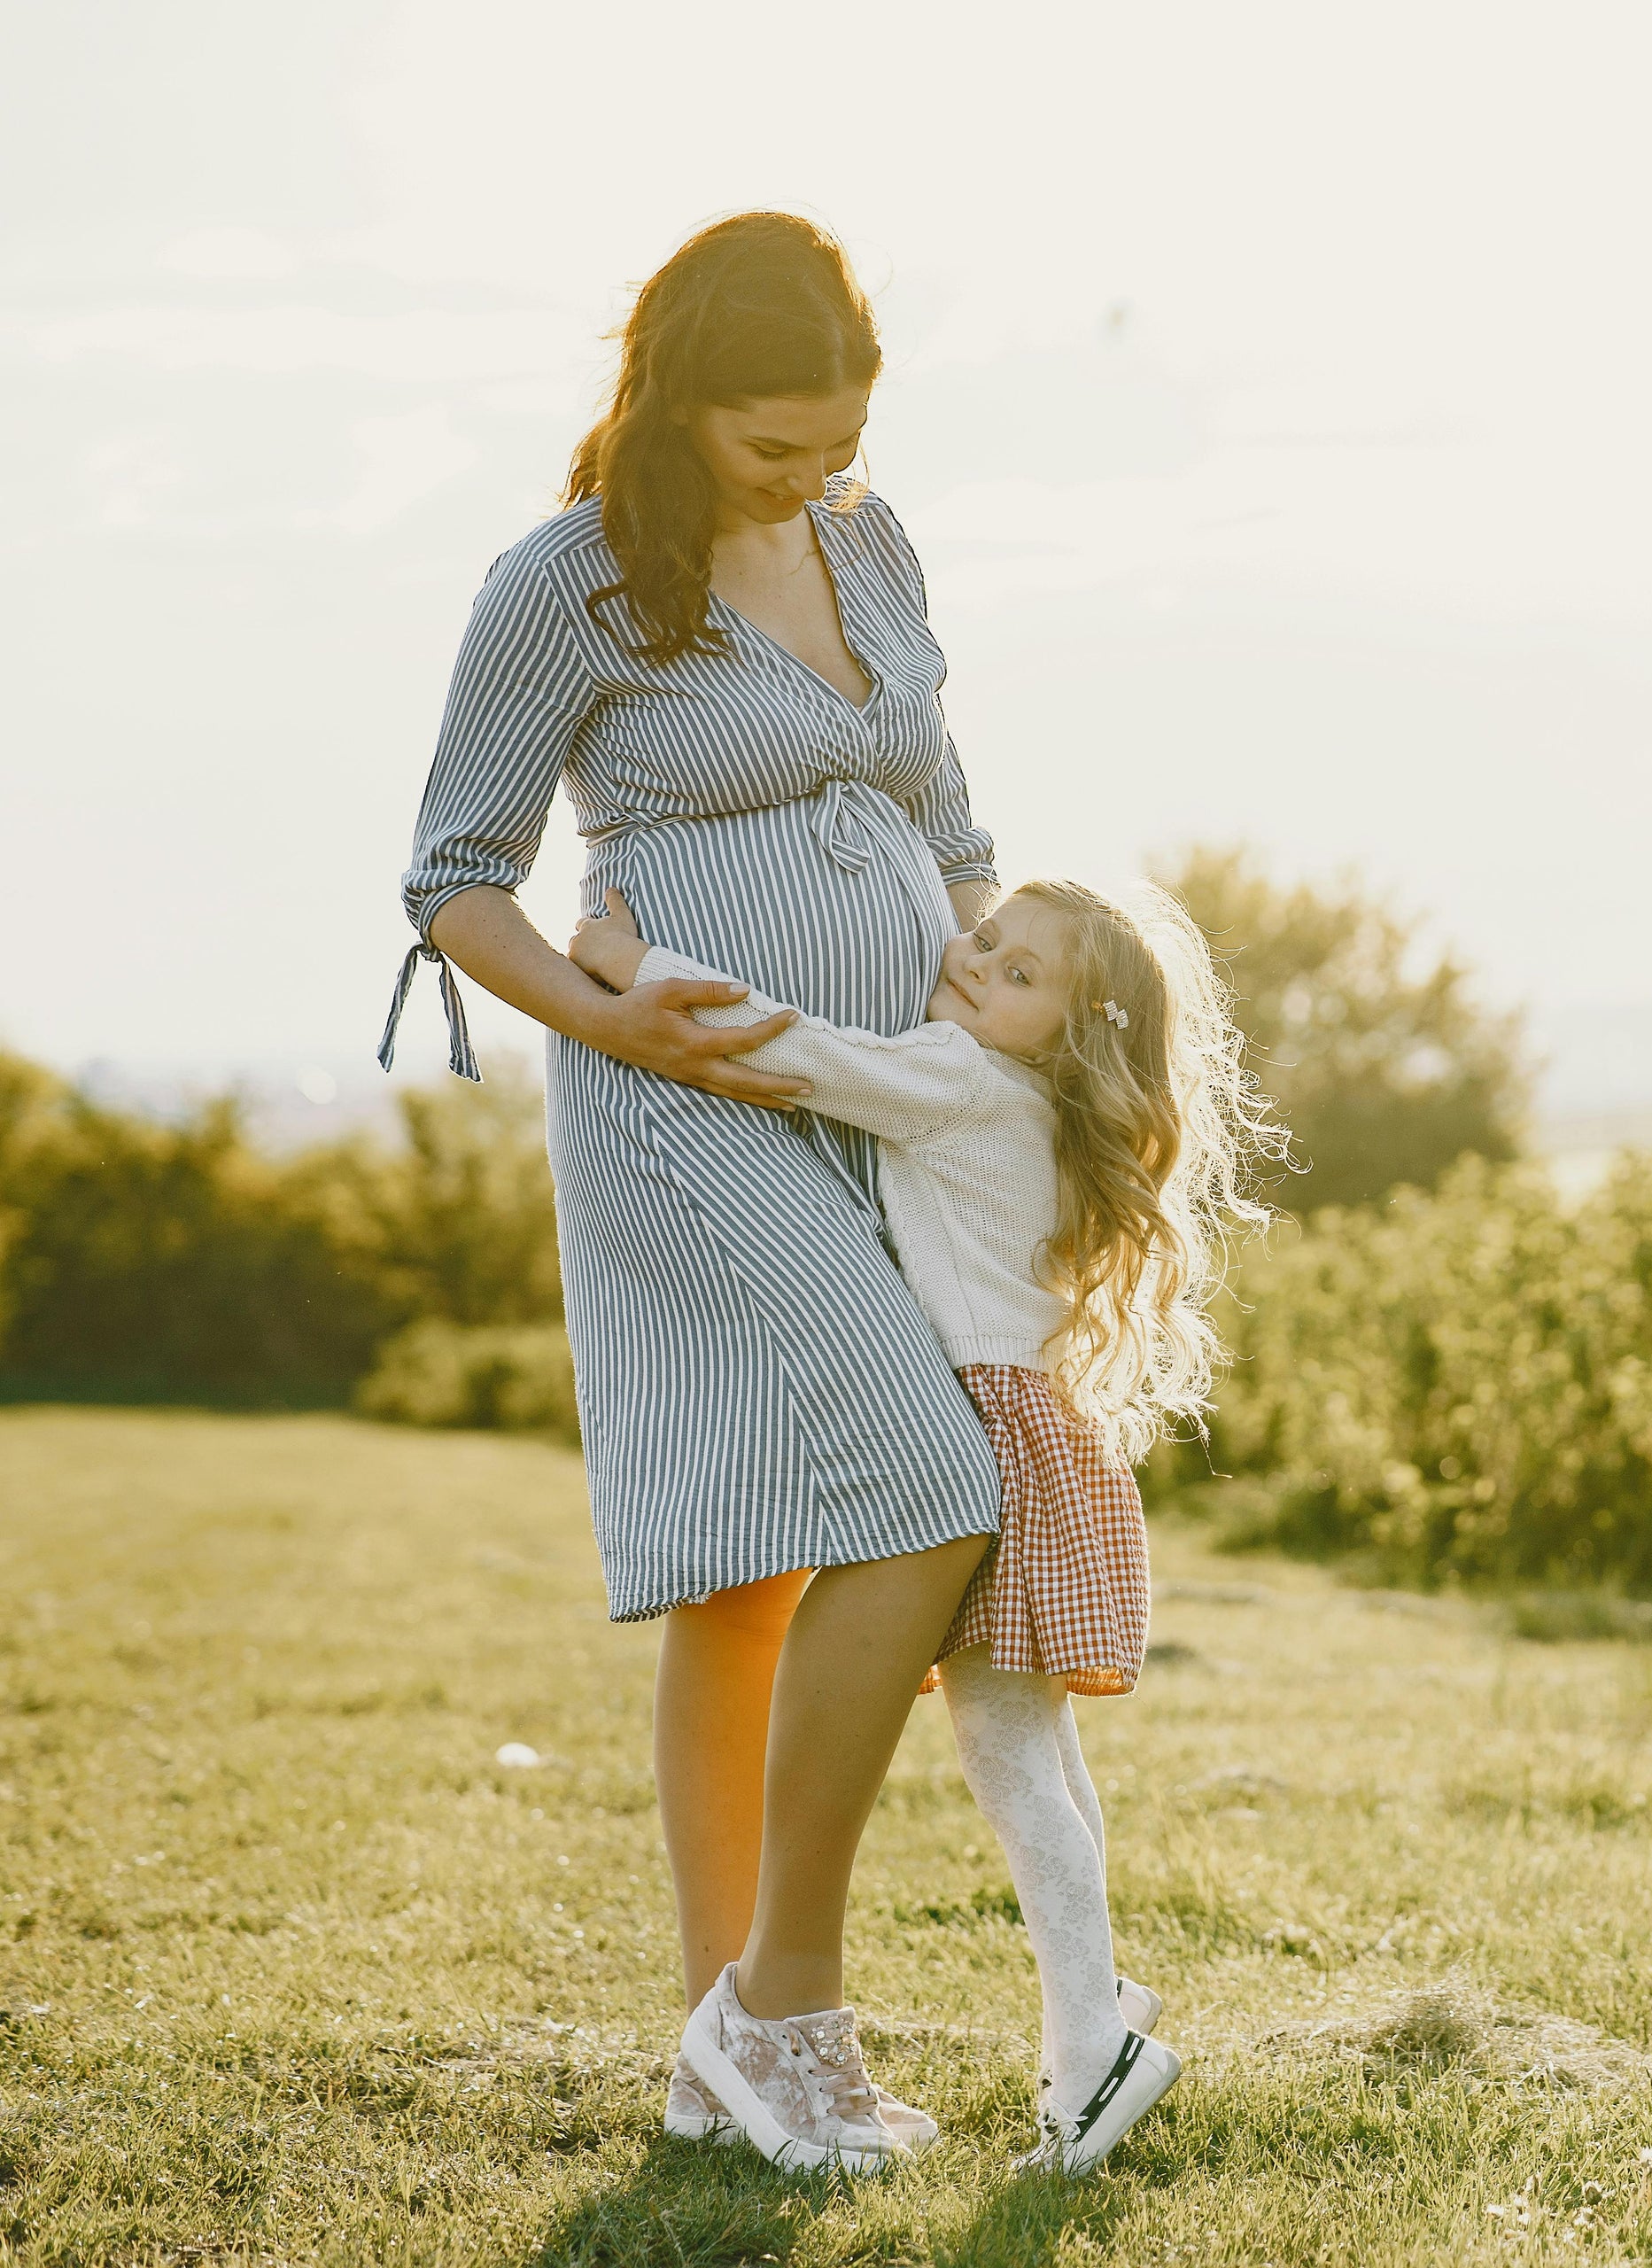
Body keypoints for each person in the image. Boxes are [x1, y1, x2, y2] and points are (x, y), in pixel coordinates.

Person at [388, 213, 1004, 2170]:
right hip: (694, 1103)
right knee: (923, 1487)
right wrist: (609, 1018)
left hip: (894, 1100)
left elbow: (951, 813)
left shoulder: (874, 541)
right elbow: (454, 872)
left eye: (836, 444)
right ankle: (785, 2006)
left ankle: (728, 2058)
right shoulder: (564, 584)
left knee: (753, 1571)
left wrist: (1009, 1034)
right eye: (773, 450)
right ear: (674, 402)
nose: (812, 479)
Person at [570, 874, 1272, 2171]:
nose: (976, 962)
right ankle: (1092, 2018)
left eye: (1019, 976)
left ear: (1068, 1032)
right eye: (988, 940)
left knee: (1013, 1760)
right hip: (1037, 1430)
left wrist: (628, 962)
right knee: (1040, 1755)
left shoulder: (959, 1079)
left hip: (989, 1434)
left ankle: (1092, 2039)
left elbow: (789, 1050)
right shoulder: (1034, 1102)